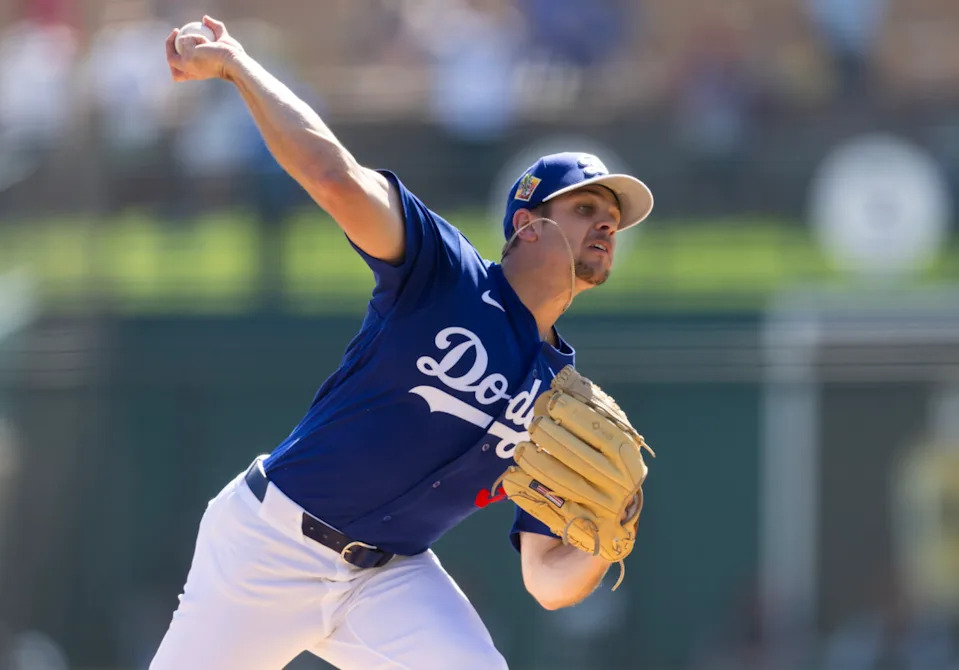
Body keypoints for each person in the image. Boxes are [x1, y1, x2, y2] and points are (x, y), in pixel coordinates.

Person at [152, 15, 654, 670]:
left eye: (611, 221)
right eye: (584, 209)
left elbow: (545, 580)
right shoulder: (442, 271)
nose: (604, 228)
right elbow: (333, 176)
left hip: (386, 580)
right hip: (269, 546)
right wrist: (239, 66)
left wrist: (605, 539)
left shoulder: (561, 397)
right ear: (526, 225)